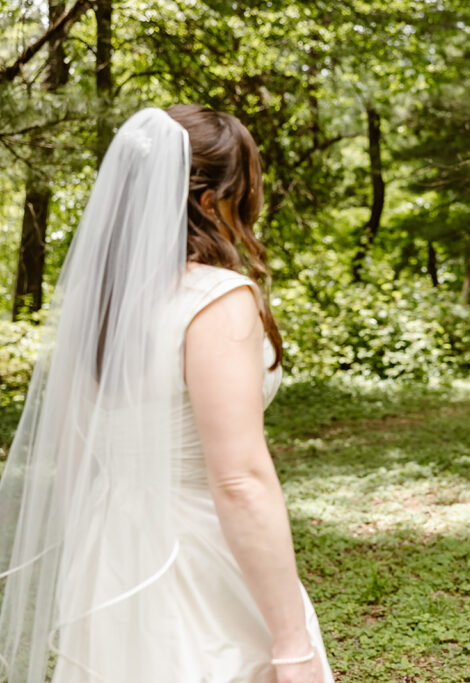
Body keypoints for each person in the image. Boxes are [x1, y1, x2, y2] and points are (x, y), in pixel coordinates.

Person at [0, 106, 331, 682]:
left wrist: (90, 566)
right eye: (246, 189)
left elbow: (76, 454)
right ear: (210, 202)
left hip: (111, 548)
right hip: (199, 555)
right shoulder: (217, 298)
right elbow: (238, 480)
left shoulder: (98, 304)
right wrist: (291, 643)